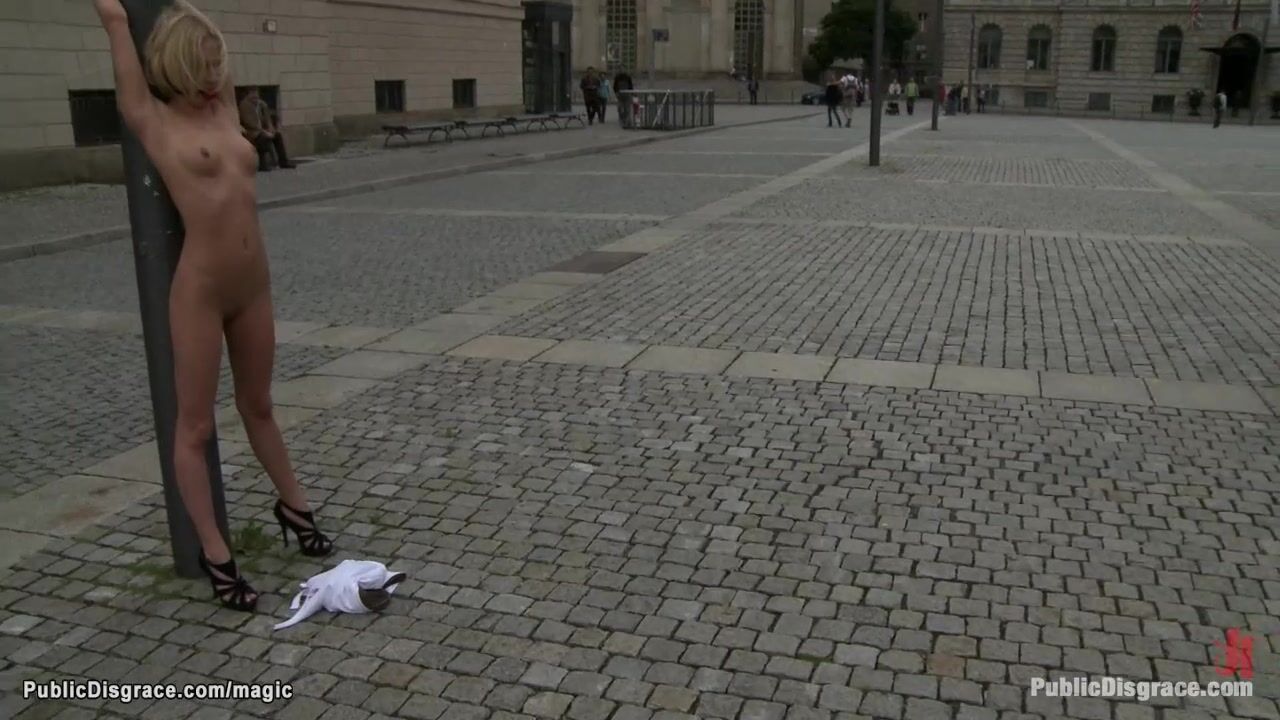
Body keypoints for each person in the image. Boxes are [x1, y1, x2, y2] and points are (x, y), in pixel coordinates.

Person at [93, 0, 333, 612]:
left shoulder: (223, 107)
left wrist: (202, 33)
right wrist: (117, 19)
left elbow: (207, 32)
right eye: (199, 66)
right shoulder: (153, 120)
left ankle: (294, 506)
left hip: (254, 285)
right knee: (195, 426)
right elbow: (115, 19)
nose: (211, 77)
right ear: (173, 65)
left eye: (214, 65)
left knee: (260, 404)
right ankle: (215, 552)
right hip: (201, 290)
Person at [238, 86, 294, 171]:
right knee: (262, 139)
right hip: (251, 132)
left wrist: (271, 129)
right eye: (253, 95)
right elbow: (250, 123)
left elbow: (267, 119)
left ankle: (283, 162)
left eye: (256, 94)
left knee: (277, 135)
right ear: (248, 95)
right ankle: (263, 164)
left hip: (262, 130)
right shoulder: (244, 105)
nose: (255, 97)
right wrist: (264, 132)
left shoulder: (261, 104)